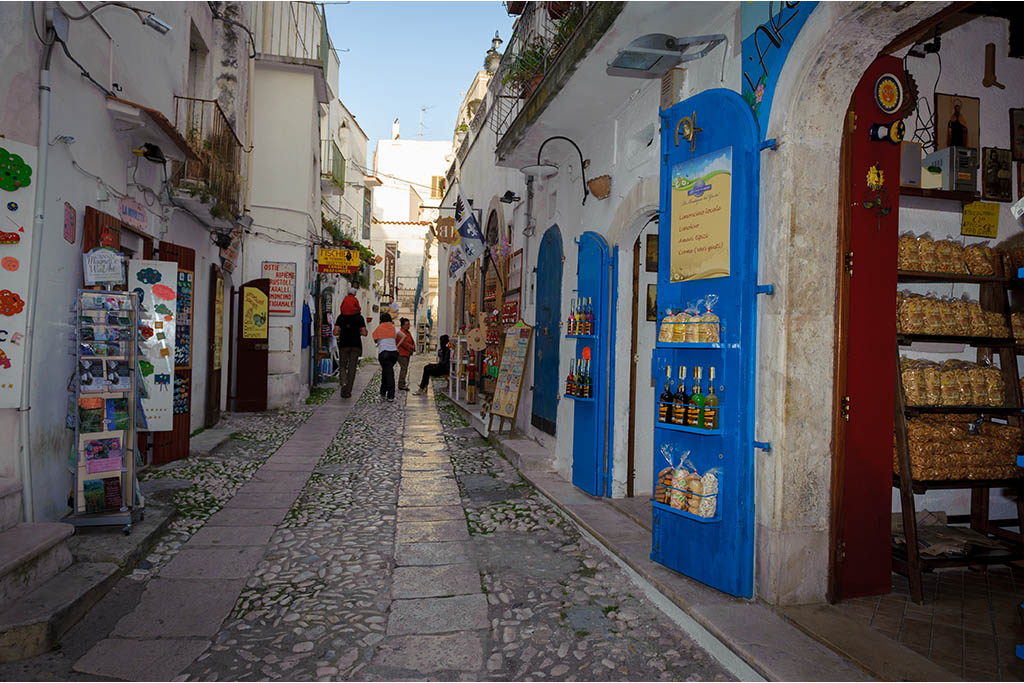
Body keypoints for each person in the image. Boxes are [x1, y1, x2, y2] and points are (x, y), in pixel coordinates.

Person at [333, 290, 366, 398]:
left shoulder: (341, 317)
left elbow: (335, 332)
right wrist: (359, 331)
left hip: (344, 344)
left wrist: (342, 331)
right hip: (356, 345)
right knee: (352, 368)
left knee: (342, 365)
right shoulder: (359, 318)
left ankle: (343, 382)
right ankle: (347, 392)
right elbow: (365, 332)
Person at [372, 312, 399, 401]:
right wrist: (397, 345)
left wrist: (379, 341)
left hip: (384, 353)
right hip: (394, 353)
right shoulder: (393, 328)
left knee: (389, 373)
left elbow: (375, 339)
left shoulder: (379, 328)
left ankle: (391, 395)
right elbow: (403, 336)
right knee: (386, 371)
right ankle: (383, 391)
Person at [396, 317, 414, 391]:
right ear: (402, 325)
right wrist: (411, 347)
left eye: (409, 324)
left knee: (405, 368)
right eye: (406, 325)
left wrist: (413, 347)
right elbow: (403, 343)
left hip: (407, 353)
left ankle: (403, 382)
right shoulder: (400, 332)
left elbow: (412, 340)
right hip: (402, 353)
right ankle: (401, 384)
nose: (408, 326)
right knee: (404, 368)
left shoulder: (408, 332)